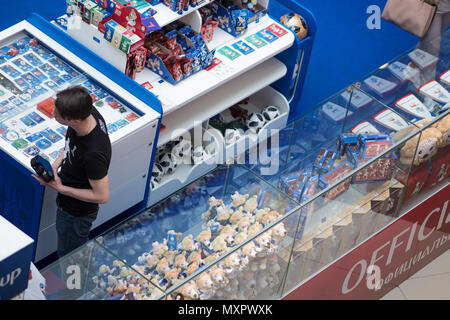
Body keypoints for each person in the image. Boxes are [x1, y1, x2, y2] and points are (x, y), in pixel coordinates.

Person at [32, 86, 112, 259]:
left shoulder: (93, 154)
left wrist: (60, 188)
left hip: (76, 213)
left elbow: (102, 196)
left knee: (70, 258)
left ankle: (74, 286)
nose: (54, 114)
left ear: (74, 120)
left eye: (58, 114)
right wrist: (56, 164)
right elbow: (72, 145)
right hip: (69, 203)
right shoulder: (87, 112)